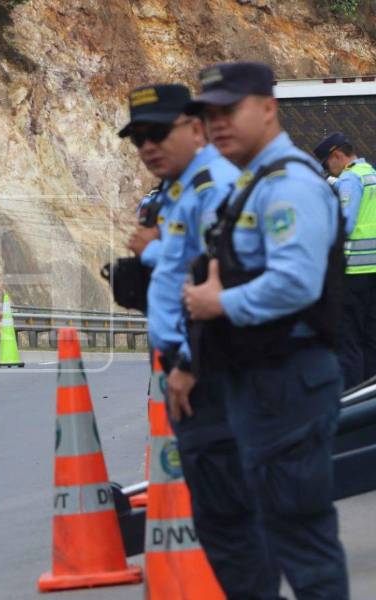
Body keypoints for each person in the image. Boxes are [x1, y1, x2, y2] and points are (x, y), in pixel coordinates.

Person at [183, 61, 349, 598]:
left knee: (301, 540)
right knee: (274, 529)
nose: (219, 125)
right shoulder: (255, 184)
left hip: (289, 379)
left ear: (268, 108)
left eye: (231, 110)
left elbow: (296, 283)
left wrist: (218, 302)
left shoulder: (290, 184)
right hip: (262, 380)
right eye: (210, 115)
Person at [119, 83, 277, 597]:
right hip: (192, 366)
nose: (146, 147)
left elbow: (222, 286)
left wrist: (189, 360)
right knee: (220, 520)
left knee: (232, 521)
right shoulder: (184, 188)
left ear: (194, 127)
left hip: (209, 374)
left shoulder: (211, 190)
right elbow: (179, 269)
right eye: (138, 138)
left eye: (157, 133)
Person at [313, 132, 376, 389]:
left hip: (354, 273)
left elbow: (345, 223)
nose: (331, 170)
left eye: (328, 164)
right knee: (372, 339)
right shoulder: (370, 173)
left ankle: (353, 396)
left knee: (349, 340)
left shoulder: (350, 177)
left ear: (337, 155)